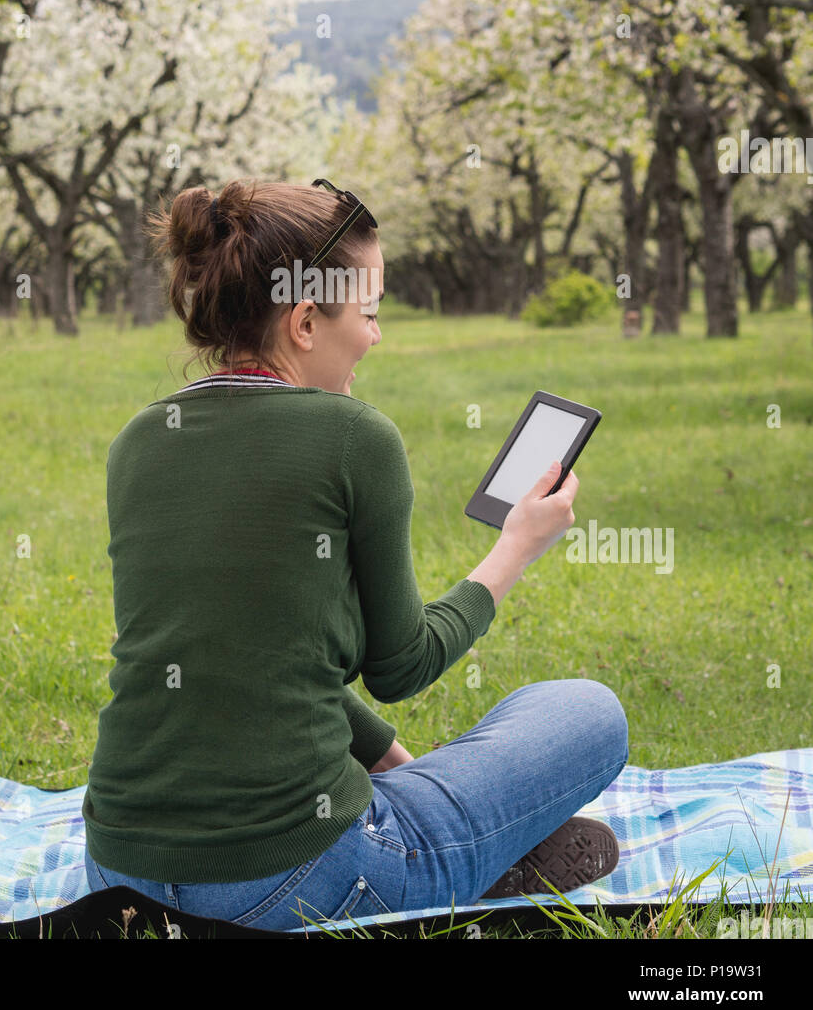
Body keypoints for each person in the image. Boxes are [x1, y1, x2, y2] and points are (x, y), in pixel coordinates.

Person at [82, 177, 628, 932]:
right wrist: (516, 546)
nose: (375, 335)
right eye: (368, 313)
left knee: (417, 783)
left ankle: (456, 835)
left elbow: (235, 653)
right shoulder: (354, 436)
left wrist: (400, 767)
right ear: (305, 321)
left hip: (116, 873)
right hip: (294, 883)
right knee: (588, 712)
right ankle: (457, 857)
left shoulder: (138, 441)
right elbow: (400, 666)